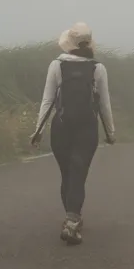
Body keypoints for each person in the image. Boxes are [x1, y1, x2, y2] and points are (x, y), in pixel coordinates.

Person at [31, 22, 116, 244]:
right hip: (87, 129)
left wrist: (38, 130)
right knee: (79, 172)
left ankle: (71, 218)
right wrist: (110, 132)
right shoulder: (98, 68)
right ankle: (72, 220)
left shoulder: (56, 65)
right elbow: (104, 104)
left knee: (67, 175)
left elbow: (47, 101)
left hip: (61, 128)